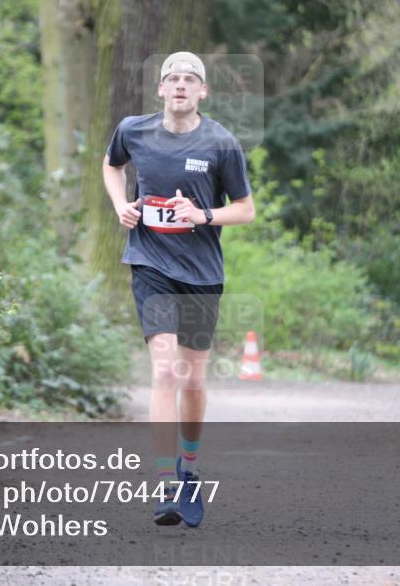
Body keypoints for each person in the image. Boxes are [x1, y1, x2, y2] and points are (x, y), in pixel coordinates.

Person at [101, 51, 255, 526]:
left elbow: (245, 209)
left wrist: (203, 215)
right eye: (174, 78)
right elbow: (112, 166)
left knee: (192, 380)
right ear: (162, 89)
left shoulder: (221, 143)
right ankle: (167, 481)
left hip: (202, 274)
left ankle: (189, 466)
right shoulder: (134, 130)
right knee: (165, 371)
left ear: (203, 91)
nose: (182, 85)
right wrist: (120, 204)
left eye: (191, 79)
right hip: (150, 264)